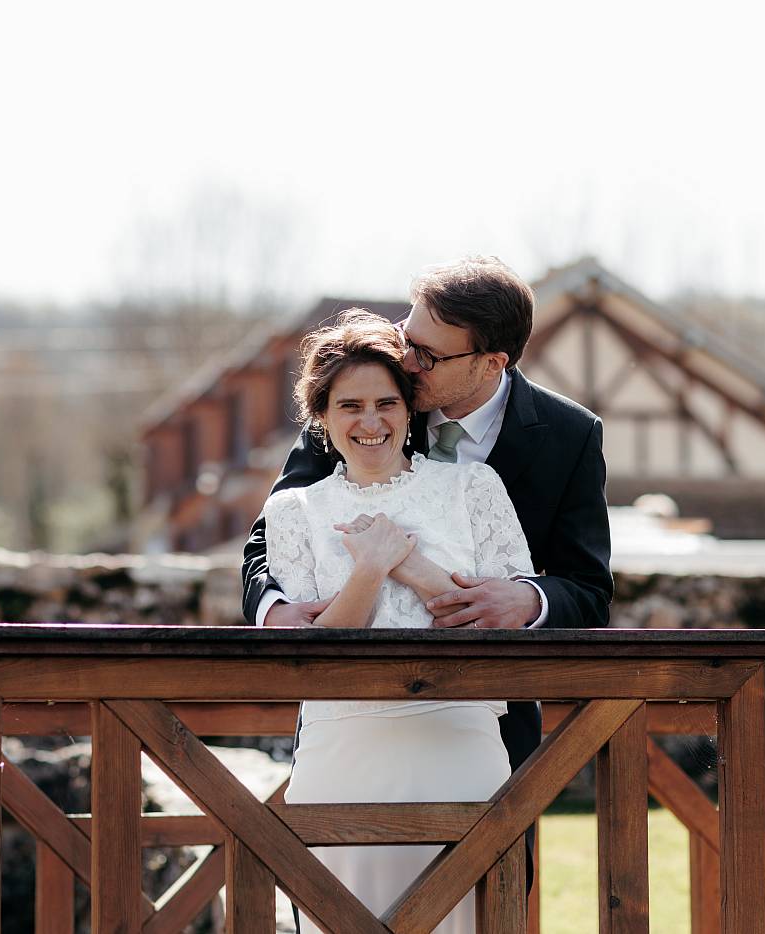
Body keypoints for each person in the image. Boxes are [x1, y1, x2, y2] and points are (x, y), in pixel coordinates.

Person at [243, 255, 613, 778]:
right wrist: (275, 612)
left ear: (490, 364)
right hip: (345, 726)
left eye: (428, 355)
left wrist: (530, 598)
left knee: (494, 863)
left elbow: (588, 588)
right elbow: (272, 535)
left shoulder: (570, 436)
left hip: (489, 731)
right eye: (406, 336)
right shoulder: (365, 400)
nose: (408, 361)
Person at [265, 308, 532, 932]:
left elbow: (495, 623)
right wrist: (367, 571)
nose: (370, 421)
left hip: (459, 743)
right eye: (350, 405)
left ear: (408, 410)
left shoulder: (474, 489)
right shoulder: (293, 511)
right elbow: (317, 659)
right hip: (345, 749)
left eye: (386, 403)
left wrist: (404, 560)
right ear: (322, 417)